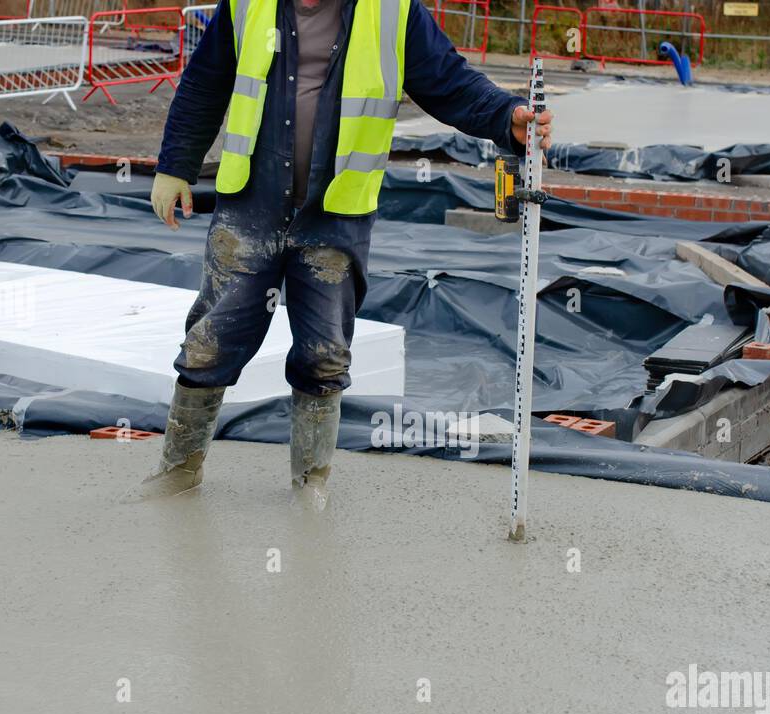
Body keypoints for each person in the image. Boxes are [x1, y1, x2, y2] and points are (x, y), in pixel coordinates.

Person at [133, 0, 553, 510]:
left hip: (335, 213)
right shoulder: (247, 6)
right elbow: (205, 82)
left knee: (324, 352)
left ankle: (310, 484)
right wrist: (175, 165)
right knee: (211, 341)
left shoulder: (394, 13)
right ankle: (179, 471)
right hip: (251, 203)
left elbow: (449, 81)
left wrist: (506, 116)